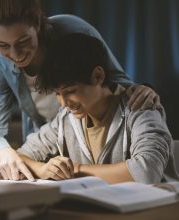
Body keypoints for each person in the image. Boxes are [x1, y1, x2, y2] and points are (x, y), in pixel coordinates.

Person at [0, 0, 160, 181]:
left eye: (23, 41)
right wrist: (7, 154)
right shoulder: (64, 119)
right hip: (53, 151)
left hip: (88, 161)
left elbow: (117, 82)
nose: (16, 54)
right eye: (3, 45)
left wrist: (144, 93)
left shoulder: (71, 29)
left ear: (37, 24)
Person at [17, 33, 178, 184]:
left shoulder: (140, 108)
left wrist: (76, 169)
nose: (64, 103)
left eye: (70, 91)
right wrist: (43, 169)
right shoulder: (66, 119)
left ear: (98, 76)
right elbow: (20, 156)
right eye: (57, 94)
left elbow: (147, 172)